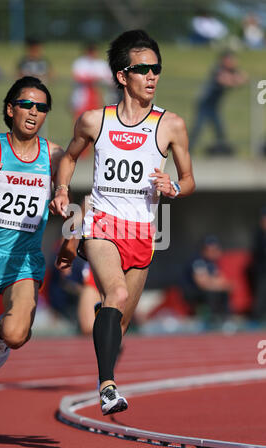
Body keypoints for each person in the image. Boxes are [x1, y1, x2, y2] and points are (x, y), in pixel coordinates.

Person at [49, 29, 195, 416]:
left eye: (156, 68)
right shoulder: (95, 120)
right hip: (101, 222)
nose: (151, 76)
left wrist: (174, 187)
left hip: (144, 231)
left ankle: (106, 339)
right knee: (117, 295)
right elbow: (68, 157)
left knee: (120, 324)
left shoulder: (171, 125)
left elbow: (189, 179)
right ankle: (108, 387)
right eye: (142, 69)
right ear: (121, 76)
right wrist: (62, 189)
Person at [0, 76, 67, 444]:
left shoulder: (54, 155)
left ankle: (3, 341)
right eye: (27, 104)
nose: (34, 112)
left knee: (14, 332)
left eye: (42, 107)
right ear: (10, 109)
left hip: (23, 261)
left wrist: (63, 205)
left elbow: (70, 200)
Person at [188, 49, 248, 155]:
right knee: (197, 128)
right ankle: (188, 150)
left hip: (214, 106)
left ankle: (222, 150)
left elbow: (244, 78)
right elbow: (225, 80)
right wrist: (235, 80)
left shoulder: (231, 70)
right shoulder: (217, 69)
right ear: (224, 60)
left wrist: (235, 78)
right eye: (231, 60)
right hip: (204, 104)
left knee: (219, 129)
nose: (234, 62)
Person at [182, 235, 233, 326]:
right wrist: (216, 285)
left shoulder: (212, 263)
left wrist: (222, 285)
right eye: (211, 250)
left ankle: (225, 320)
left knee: (223, 292)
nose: (214, 252)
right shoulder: (197, 261)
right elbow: (202, 283)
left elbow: (221, 280)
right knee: (212, 293)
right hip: (192, 292)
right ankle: (212, 321)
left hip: (207, 289)